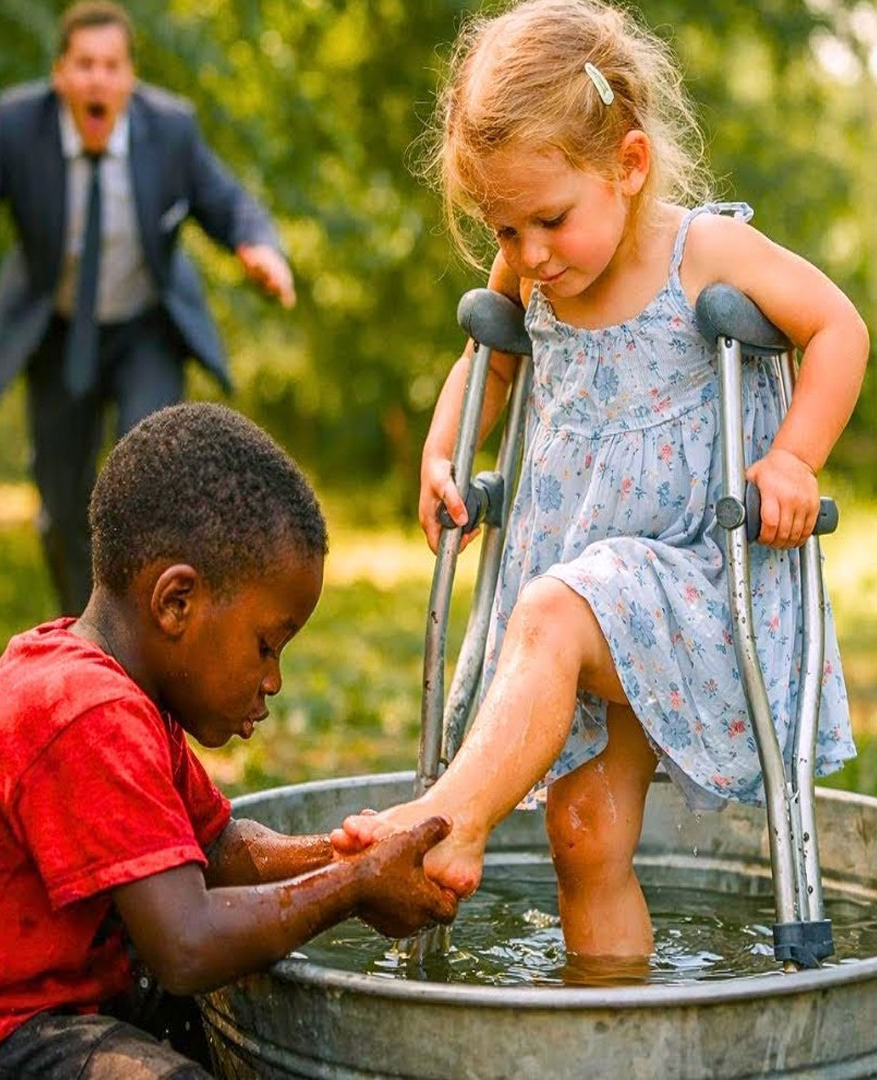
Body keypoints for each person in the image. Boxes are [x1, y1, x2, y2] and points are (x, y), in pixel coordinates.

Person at [332, 0, 868, 962]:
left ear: (628, 165)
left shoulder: (698, 251)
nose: (529, 253)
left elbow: (839, 326)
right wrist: (443, 452)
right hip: (588, 598)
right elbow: (490, 363)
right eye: (504, 226)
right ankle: (607, 1033)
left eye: (549, 220)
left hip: (697, 586)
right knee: (584, 839)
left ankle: (441, 825)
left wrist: (793, 455)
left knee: (549, 611)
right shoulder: (530, 272)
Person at [0, 403, 458, 1079]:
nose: (273, 679)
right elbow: (186, 944)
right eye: (266, 645)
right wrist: (353, 886)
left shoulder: (120, 693)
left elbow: (217, 849)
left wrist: (335, 850)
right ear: (176, 601)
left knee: (207, 998)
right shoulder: (86, 711)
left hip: (15, 1012)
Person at [0, 0, 296, 616]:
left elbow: (230, 203)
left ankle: (153, 632)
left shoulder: (171, 129)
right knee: (62, 507)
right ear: (60, 73)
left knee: (152, 485)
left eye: (111, 66)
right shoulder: (18, 126)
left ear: (129, 77)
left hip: (145, 331)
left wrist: (261, 247)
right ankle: (84, 637)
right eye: (84, 65)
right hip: (57, 333)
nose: (98, 80)